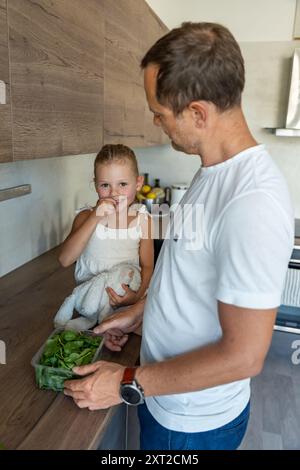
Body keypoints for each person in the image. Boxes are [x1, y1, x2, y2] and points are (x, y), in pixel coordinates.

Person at [64, 23, 294, 450]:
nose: (156, 121)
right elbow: (188, 280)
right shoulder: (210, 174)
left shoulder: (252, 202)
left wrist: (127, 382)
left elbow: (243, 355)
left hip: (193, 425)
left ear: (198, 113)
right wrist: (140, 314)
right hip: (166, 397)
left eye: (160, 112)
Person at [57, 144, 154, 329]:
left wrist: (137, 295)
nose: (114, 193)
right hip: (88, 304)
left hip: (126, 303)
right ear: (95, 185)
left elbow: (147, 265)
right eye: (105, 185)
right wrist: (95, 217)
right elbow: (65, 259)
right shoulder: (85, 217)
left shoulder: (143, 220)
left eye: (123, 184)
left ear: (138, 183)